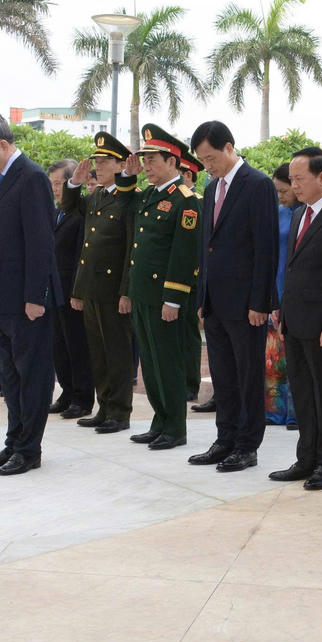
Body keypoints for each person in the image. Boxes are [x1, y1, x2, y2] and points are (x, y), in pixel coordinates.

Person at [0, 114, 60, 477]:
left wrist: (35, 296)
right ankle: (13, 441)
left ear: (3, 145)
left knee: (32, 376)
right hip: (2, 301)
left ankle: (28, 449)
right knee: (10, 378)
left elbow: (40, 243)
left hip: (27, 303)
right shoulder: (2, 180)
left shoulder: (31, 177)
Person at [188, 121, 279, 473]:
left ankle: (246, 445)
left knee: (247, 376)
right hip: (215, 302)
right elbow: (205, 248)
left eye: (211, 158)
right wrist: (202, 296)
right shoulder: (211, 190)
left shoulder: (257, 185)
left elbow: (265, 247)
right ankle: (224, 438)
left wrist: (261, 302)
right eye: (202, 161)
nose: (208, 166)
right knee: (224, 376)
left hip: (246, 305)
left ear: (229, 147)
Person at [270, 147, 322, 489]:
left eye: (299, 179)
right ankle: (306, 459)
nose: (294, 185)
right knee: (303, 394)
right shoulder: (301, 212)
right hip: (297, 321)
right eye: (292, 180)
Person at [123, 124, 201, 450]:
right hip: (143, 294)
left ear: (173, 162)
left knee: (167, 363)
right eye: (144, 159)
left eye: (152, 159)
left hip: (164, 298)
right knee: (151, 364)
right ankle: (160, 421)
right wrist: (129, 291)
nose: (146, 166)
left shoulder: (186, 201)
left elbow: (184, 256)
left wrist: (174, 299)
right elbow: (137, 246)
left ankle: (175, 427)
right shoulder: (150, 196)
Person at [61, 131, 136, 433]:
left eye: (105, 161)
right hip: (92, 288)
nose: (98, 166)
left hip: (113, 290)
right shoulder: (97, 198)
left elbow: (132, 249)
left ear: (120, 166)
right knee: (98, 353)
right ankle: (103, 407)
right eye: (96, 161)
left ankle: (120, 412)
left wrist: (126, 292)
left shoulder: (128, 199)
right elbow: (70, 208)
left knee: (117, 353)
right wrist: (74, 184)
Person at [48, 159, 94, 420]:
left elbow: (80, 255)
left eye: (58, 183)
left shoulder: (81, 214)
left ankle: (82, 397)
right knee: (59, 345)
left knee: (77, 345)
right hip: (54, 288)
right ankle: (66, 391)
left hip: (72, 288)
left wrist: (78, 291)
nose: (55, 189)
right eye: (52, 183)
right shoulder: (56, 212)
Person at [267, 162, 300, 429]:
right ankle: (274, 412)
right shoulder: (277, 214)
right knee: (273, 357)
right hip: (275, 291)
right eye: (277, 191)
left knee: (297, 359)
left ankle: (297, 414)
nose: (281, 196)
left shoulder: (308, 213)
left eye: (284, 190)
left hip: (297, 293)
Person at [178, 151, 205, 405]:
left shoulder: (195, 200)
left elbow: (196, 244)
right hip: (174, 278)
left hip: (191, 279)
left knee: (188, 334)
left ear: (188, 175)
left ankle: (190, 383)